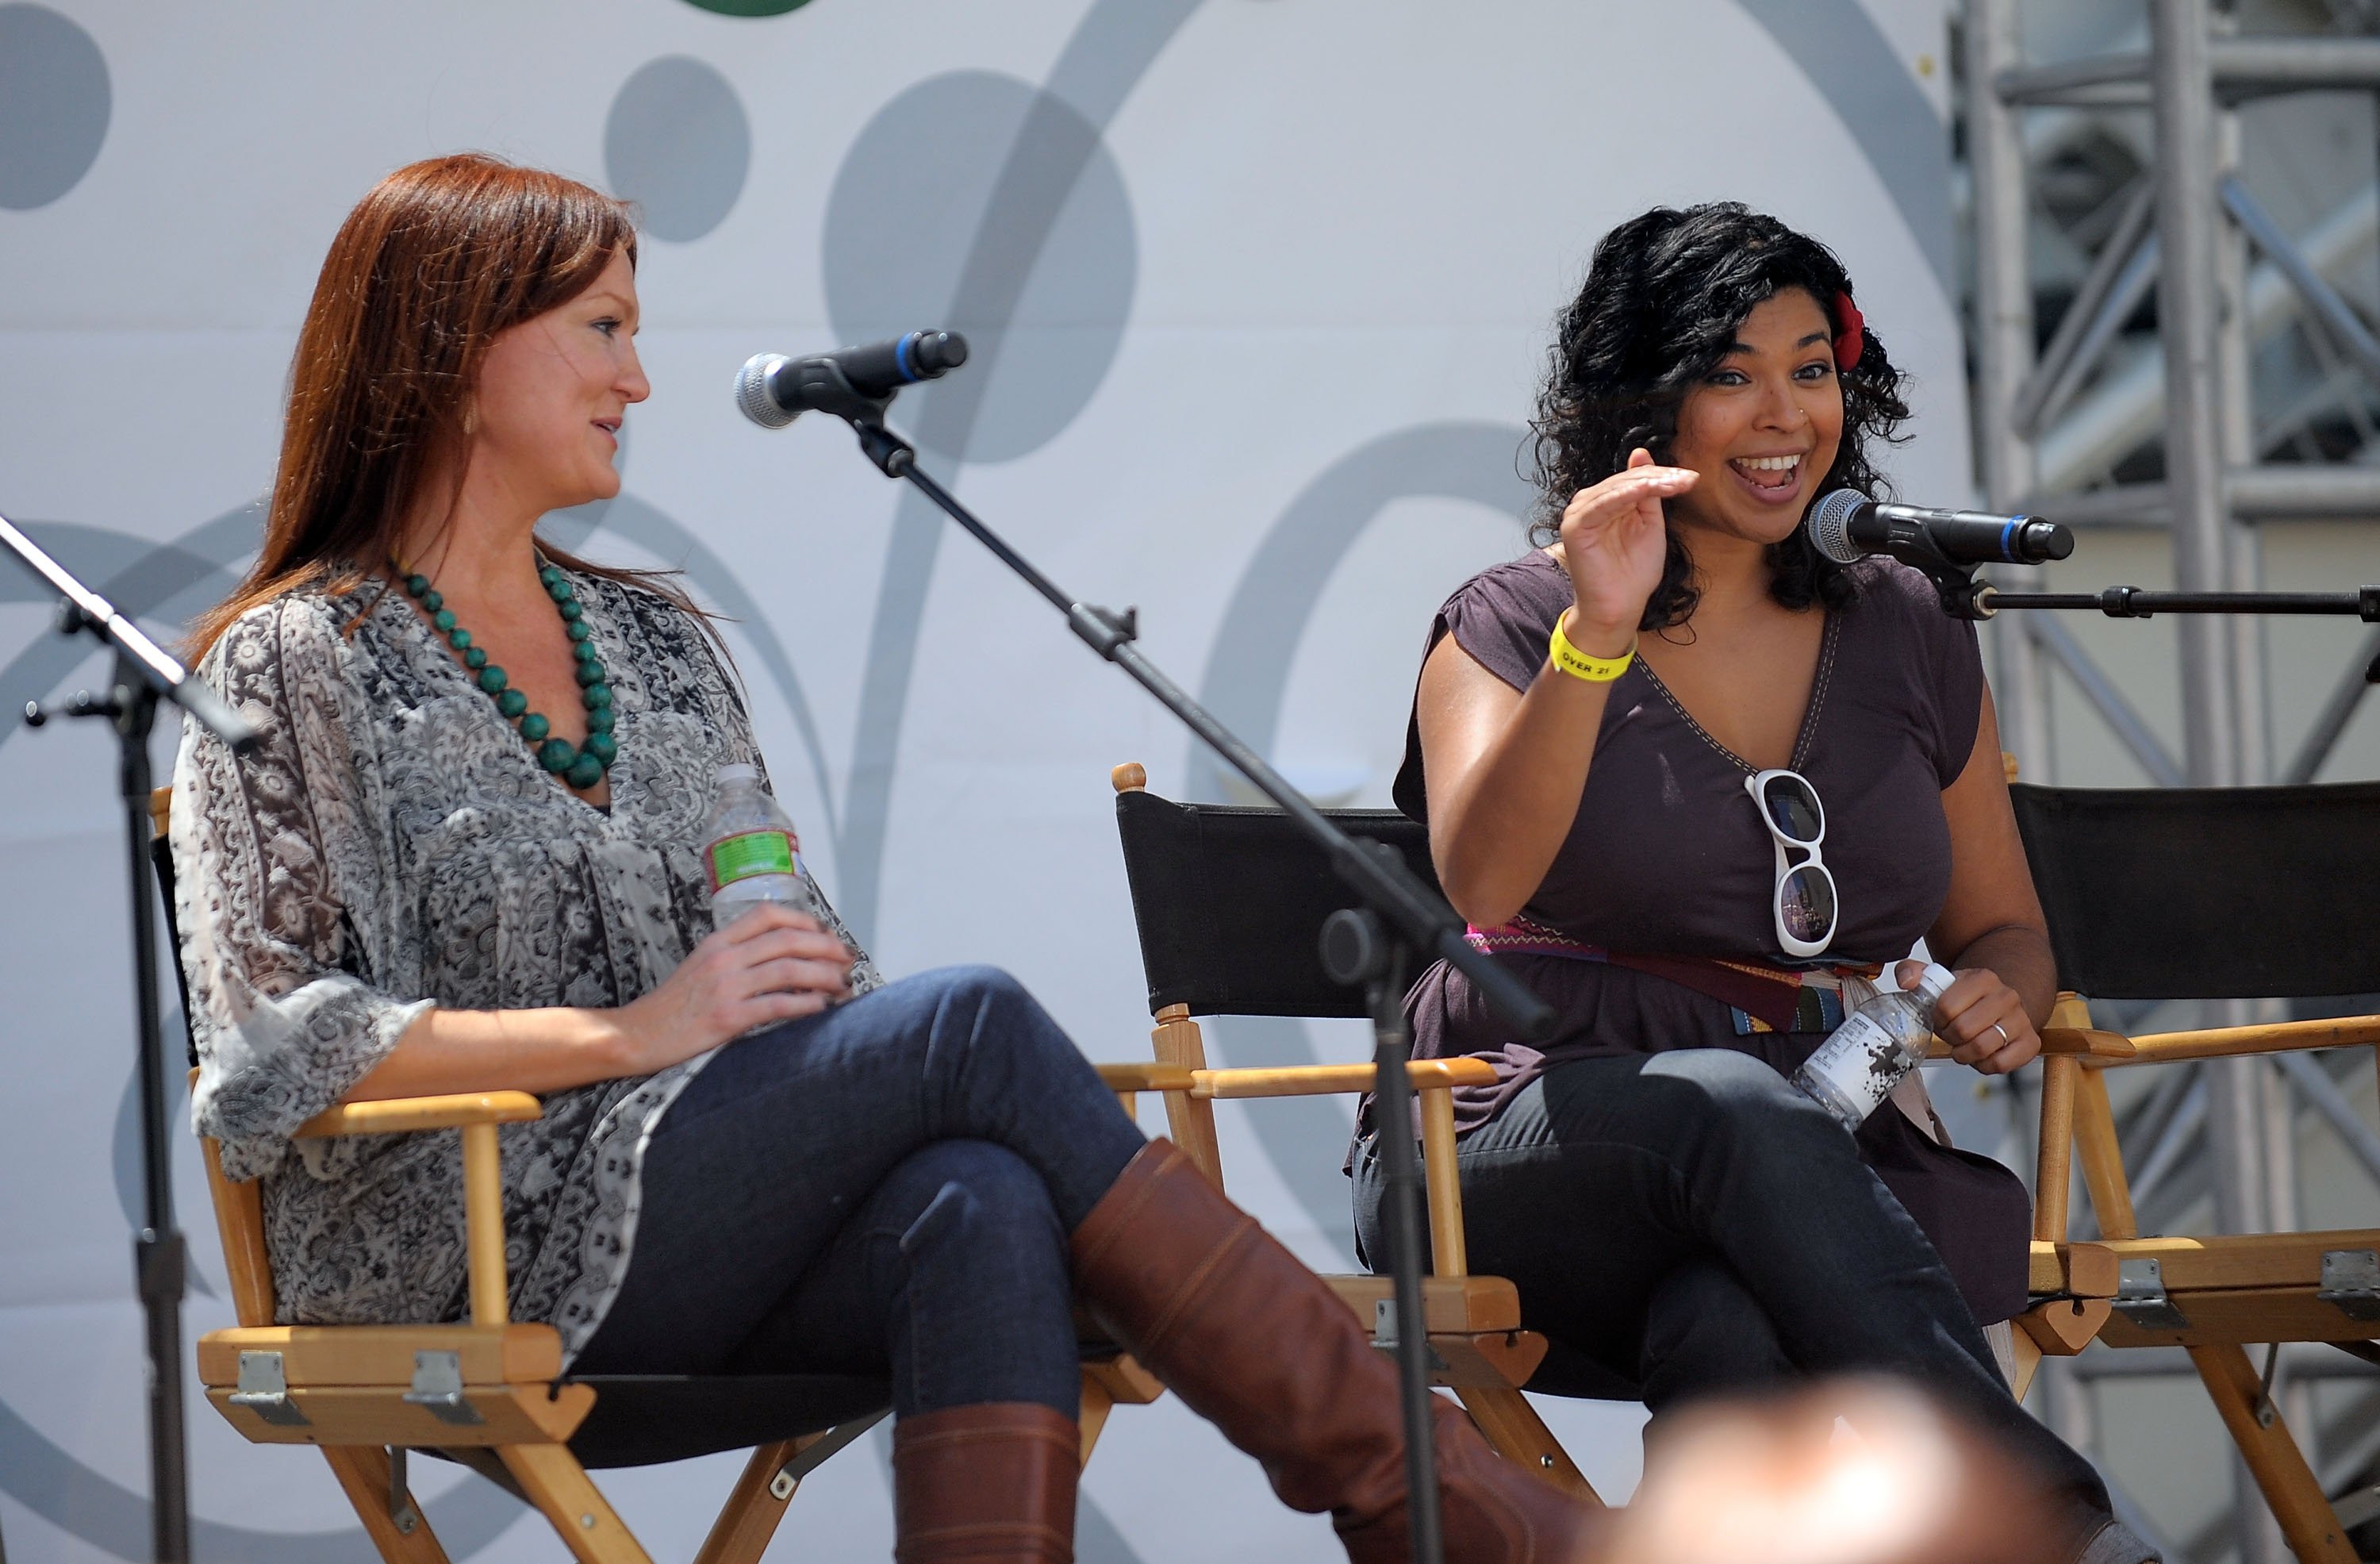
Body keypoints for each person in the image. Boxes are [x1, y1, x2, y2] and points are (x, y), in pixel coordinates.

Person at [171, 154, 1604, 1564]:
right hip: (455, 1244)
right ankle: (1415, 1487)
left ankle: (1420, 1494)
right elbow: (269, 1049)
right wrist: (635, 1031)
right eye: (601, 329)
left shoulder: (658, 645)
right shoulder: (293, 662)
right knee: (968, 1021)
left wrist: (792, 994)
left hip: (701, 1208)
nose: (639, 379)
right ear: (454, 349)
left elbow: (793, 935)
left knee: (972, 1198)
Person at [1352, 203, 2155, 1564]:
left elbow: (2005, 927)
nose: (1782, 413)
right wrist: (1598, 633)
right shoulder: (1513, 618)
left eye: (1810, 367)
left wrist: (2004, 999)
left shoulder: (1904, 618)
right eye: (1730, 373)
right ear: (1644, 403)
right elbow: (1480, 877)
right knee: (1727, 1110)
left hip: (1827, 1159)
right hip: (1511, 1137)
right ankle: (2061, 1530)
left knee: (1727, 1321)